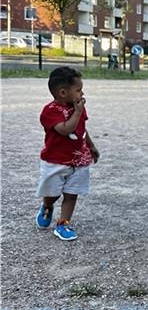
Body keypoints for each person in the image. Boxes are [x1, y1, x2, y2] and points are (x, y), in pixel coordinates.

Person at [35, 67, 100, 241]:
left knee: (72, 194)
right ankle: (47, 207)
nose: (82, 93)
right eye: (78, 90)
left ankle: (63, 223)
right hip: (55, 161)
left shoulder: (77, 108)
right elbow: (65, 130)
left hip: (79, 160)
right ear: (63, 92)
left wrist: (91, 146)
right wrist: (77, 112)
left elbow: (80, 129)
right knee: (52, 194)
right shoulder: (50, 111)